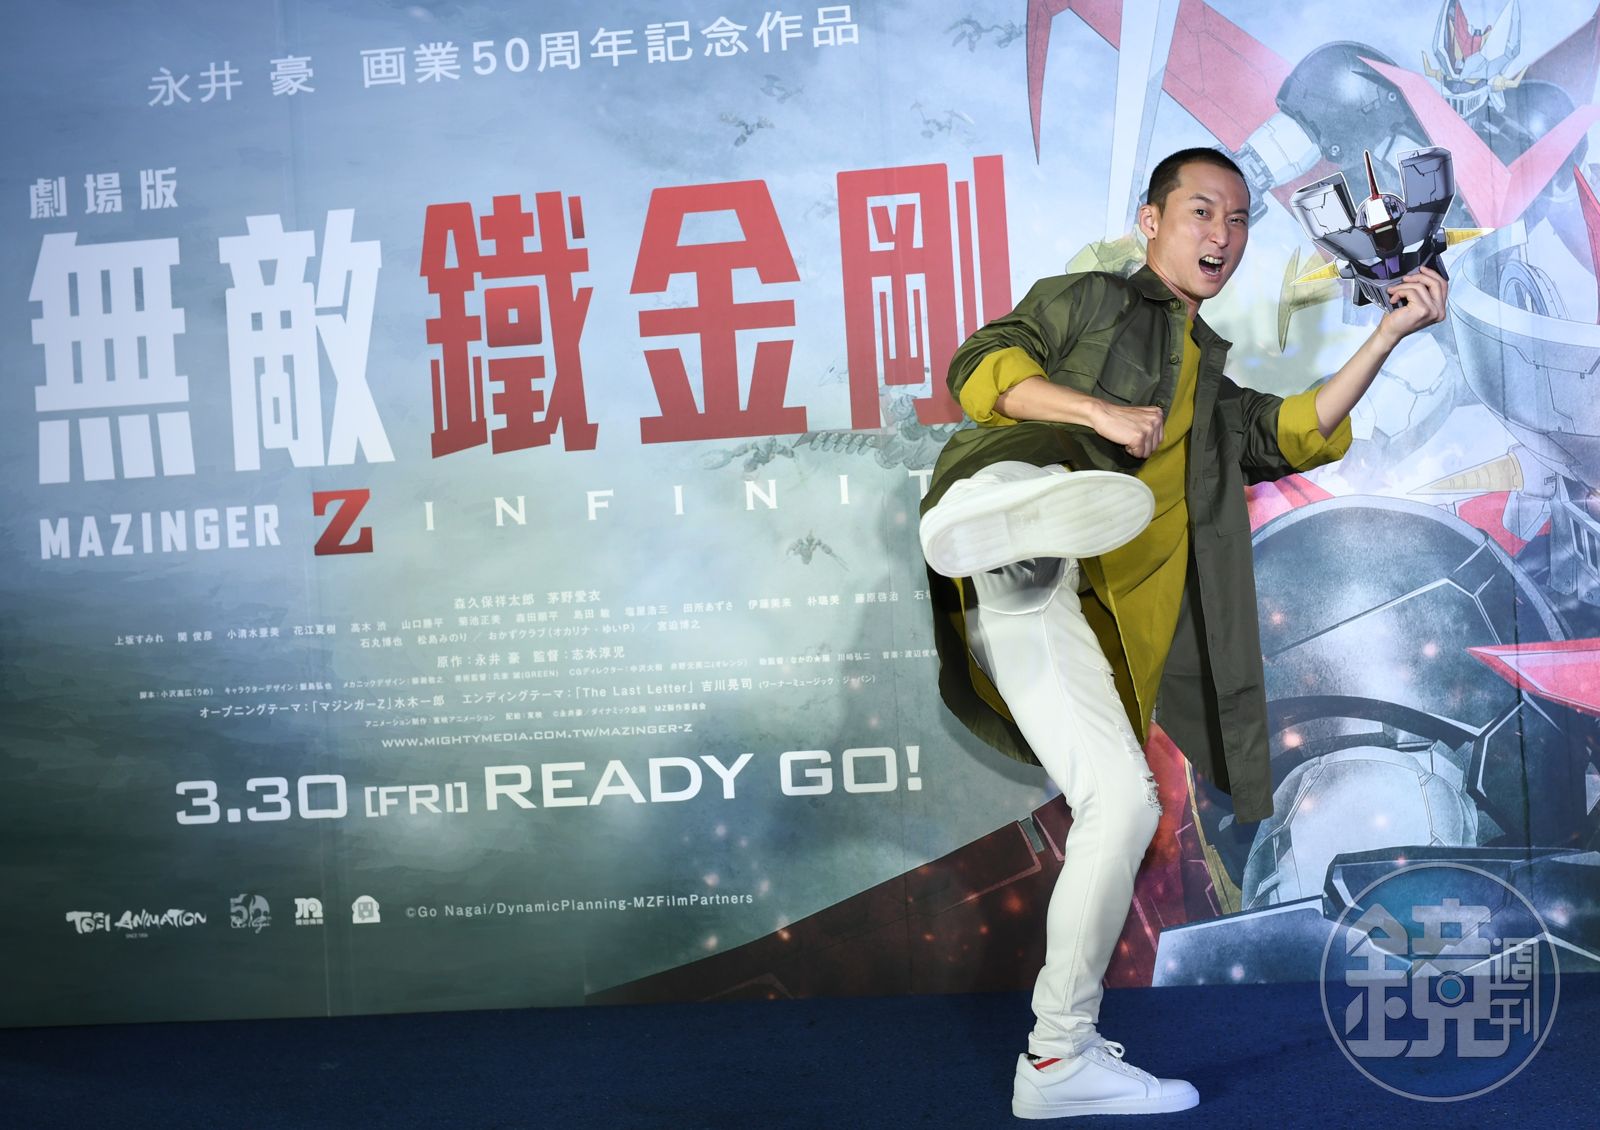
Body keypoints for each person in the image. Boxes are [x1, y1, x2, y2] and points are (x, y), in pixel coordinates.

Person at [917, 148, 1447, 1119]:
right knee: (1023, 474)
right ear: (1149, 222)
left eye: (1239, 219)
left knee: (1120, 805)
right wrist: (1099, 413)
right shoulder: (1088, 298)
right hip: (1020, 543)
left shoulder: (1209, 387)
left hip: (1066, 615)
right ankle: (999, 502)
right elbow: (982, 365)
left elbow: (1293, 430)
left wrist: (1389, 333)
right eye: (1202, 211)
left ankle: (1056, 1058)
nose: (1223, 234)